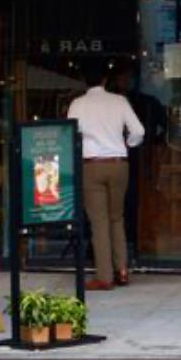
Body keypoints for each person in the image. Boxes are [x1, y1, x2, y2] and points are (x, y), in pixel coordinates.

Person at [68, 64, 145, 290]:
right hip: (118, 164)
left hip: (91, 165)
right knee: (116, 218)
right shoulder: (119, 101)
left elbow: (71, 134)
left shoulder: (77, 104)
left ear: (84, 81)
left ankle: (104, 276)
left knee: (99, 222)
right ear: (104, 80)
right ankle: (122, 270)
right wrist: (127, 144)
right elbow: (139, 131)